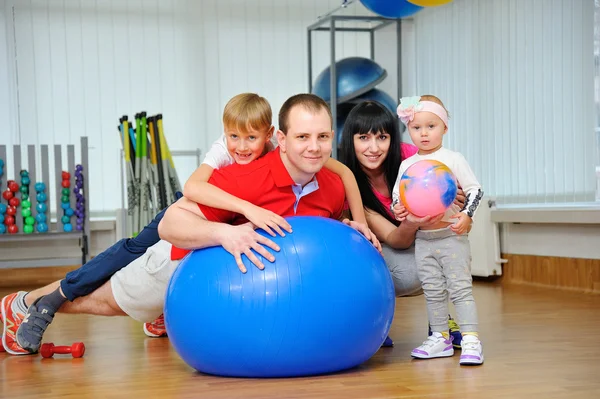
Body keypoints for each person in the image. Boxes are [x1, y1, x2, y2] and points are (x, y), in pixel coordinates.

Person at [1, 93, 378, 355]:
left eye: (323, 137)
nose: (314, 147)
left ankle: (162, 316)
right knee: (108, 297)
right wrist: (226, 231)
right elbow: (171, 222)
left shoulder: (329, 179)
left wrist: (354, 222)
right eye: (303, 137)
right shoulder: (241, 173)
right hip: (178, 259)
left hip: (230, 283)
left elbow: (340, 181)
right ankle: (26, 303)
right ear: (281, 139)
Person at [338, 100, 465, 348]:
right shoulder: (347, 182)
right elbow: (397, 238)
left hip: (426, 235)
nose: (373, 148)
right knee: (408, 273)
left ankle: (440, 322)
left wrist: (454, 192)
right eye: (363, 138)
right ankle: (372, 322)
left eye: (382, 138)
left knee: (450, 249)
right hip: (386, 245)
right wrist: (411, 222)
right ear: (350, 141)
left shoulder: (411, 158)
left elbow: (447, 171)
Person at [392, 95, 484, 365]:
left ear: (444, 127)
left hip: (451, 237)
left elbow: (474, 189)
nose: (423, 133)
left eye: (431, 126)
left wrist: (467, 215)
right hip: (424, 239)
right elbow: (399, 195)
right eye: (416, 127)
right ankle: (440, 338)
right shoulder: (407, 165)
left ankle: (470, 339)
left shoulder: (453, 159)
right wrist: (399, 208)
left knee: (460, 289)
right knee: (432, 290)